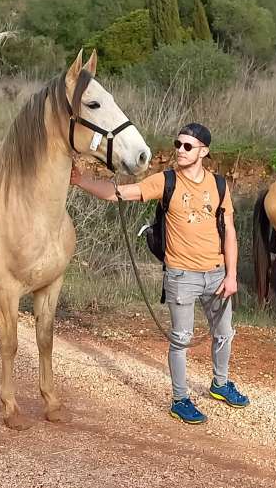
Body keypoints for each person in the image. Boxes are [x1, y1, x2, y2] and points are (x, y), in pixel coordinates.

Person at [71, 122, 248, 424]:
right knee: (181, 339)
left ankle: (220, 384)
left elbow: (229, 232)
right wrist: (82, 181)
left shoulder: (219, 185)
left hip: (218, 274)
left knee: (224, 334)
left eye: (187, 146)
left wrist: (232, 275)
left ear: (203, 151)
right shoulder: (164, 182)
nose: (180, 150)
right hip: (182, 276)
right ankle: (180, 399)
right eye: (178, 144)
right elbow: (118, 193)